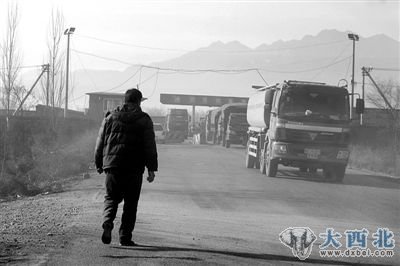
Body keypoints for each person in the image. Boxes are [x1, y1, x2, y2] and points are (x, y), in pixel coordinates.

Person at [94, 88, 158, 246]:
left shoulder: (110, 117)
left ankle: (108, 221)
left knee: (111, 198)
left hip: (113, 166)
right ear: (138, 101)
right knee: (131, 203)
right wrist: (151, 169)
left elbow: (100, 142)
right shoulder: (144, 119)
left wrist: (98, 163)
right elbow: (150, 146)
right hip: (134, 168)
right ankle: (125, 237)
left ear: (124, 100)